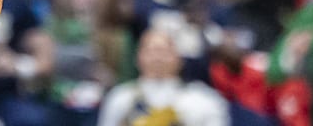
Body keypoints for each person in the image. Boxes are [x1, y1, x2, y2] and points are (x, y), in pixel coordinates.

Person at [97, 28, 229, 126]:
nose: (158, 57)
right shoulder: (120, 98)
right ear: (138, 58)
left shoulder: (204, 100)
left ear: (180, 59)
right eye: (151, 51)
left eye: (165, 51)